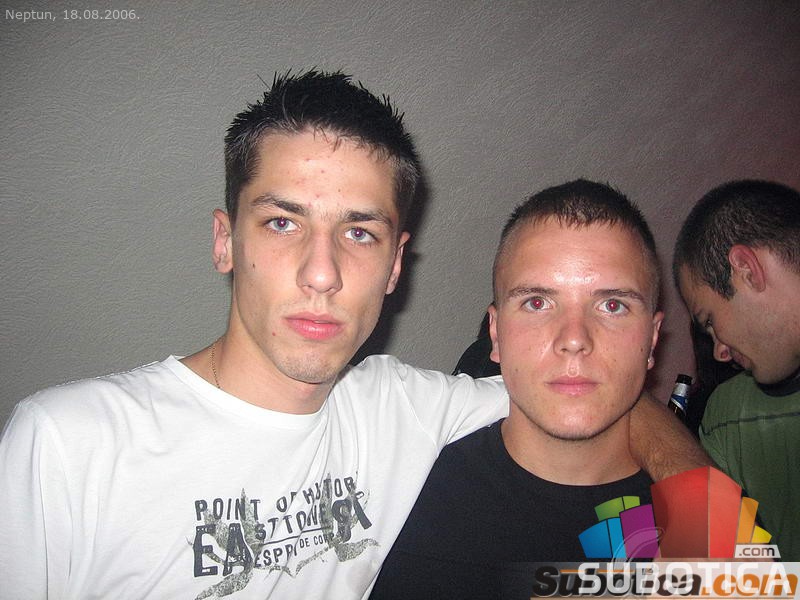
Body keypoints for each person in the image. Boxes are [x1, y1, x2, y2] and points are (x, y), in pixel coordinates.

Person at [0, 72, 705, 599]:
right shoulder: (69, 444)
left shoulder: (399, 408)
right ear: (224, 240)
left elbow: (587, 389)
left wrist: (711, 532)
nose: (322, 273)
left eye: (359, 233)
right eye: (283, 222)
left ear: (395, 264)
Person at [372, 180, 666, 599]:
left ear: (652, 340)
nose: (574, 339)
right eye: (537, 303)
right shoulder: (396, 498)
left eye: (612, 305)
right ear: (495, 333)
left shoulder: (709, 533)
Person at [673, 179, 800, 561]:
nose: (720, 352)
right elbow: (702, 559)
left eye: (710, 321)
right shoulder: (727, 413)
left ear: (746, 269)